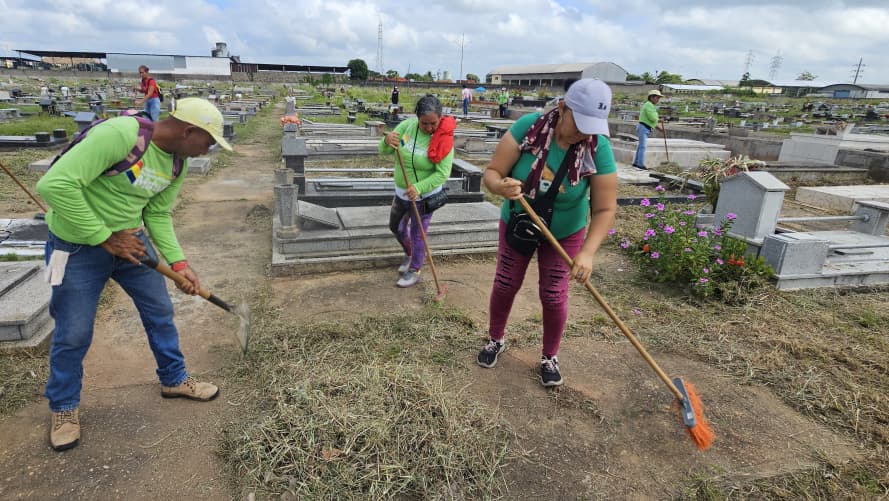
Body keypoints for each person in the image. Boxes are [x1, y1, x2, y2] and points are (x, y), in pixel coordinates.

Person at [35, 98, 233, 451]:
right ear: (189, 131)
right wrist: (105, 237)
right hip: (77, 246)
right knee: (73, 331)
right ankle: (63, 407)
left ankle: (174, 379)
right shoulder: (120, 135)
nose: (208, 151)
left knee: (160, 312)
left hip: (132, 245)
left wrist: (180, 265)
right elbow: (54, 186)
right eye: (209, 142)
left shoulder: (177, 163)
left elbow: (157, 214)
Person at [476, 79, 618, 387]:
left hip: (565, 232)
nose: (585, 133)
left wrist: (588, 253)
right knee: (505, 282)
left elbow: (605, 209)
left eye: (592, 126)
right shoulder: (529, 128)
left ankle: (549, 356)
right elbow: (492, 173)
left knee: (553, 295)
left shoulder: (598, 147)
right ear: (563, 108)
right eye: (580, 123)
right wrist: (500, 186)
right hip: (520, 222)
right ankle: (495, 339)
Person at [379, 95, 456, 288]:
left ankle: (415, 269)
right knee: (395, 227)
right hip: (401, 192)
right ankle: (410, 253)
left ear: (440, 118)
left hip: (424, 197)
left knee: (418, 233)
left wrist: (419, 188)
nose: (429, 128)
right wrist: (387, 142)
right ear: (417, 118)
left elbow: (442, 174)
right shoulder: (408, 129)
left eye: (433, 123)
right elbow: (389, 150)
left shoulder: (444, 140)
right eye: (424, 124)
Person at [632, 89, 665, 170]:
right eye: (657, 98)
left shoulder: (650, 106)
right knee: (642, 146)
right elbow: (653, 118)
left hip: (644, 127)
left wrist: (659, 128)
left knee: (640, 146)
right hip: (643, 127)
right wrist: (660, 120)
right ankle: (640, 164)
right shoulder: (648, 105)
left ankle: (636, 162)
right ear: (652, 97)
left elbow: (650, 121)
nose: (658, 100)